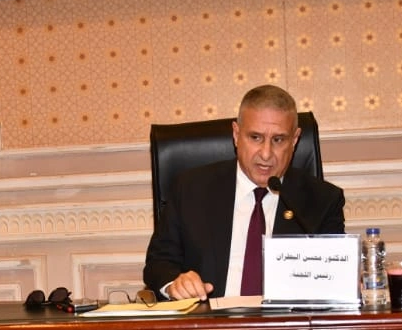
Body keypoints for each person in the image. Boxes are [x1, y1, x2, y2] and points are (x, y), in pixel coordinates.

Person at [143, 85, 346, 301]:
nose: (266, 154)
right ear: (236, 134)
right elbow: (158, 264)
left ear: (294, 140)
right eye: (255, 137)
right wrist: (176, 283)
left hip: (287, 321)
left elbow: (335, 277)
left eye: (278, 140)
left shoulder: (322, 201)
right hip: (209, 319)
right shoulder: (191, 189)